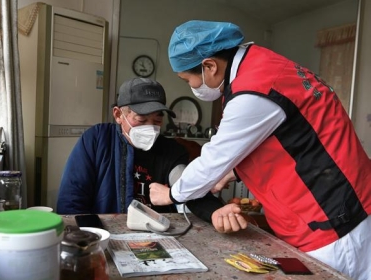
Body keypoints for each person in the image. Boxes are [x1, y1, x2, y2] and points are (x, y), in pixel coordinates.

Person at [149, 20, 371, 280]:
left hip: (333, 224)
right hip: (343, 207)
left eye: (188, 79)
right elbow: (289, 139)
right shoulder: (264, 65)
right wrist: (232, 173)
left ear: (209, 66)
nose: (193, 86)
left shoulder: (253, 90)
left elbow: (213, 158)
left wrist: (171, 194)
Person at [56, 77, 244, 229]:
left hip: (157, 233)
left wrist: (214, 211)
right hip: (105, 233)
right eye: (141, 119)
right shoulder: (97, 140)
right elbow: (72, 199)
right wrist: (86, 236)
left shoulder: (171, 150)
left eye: (156, 121)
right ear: (118, 115)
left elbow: (186, 184)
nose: (150, 128)